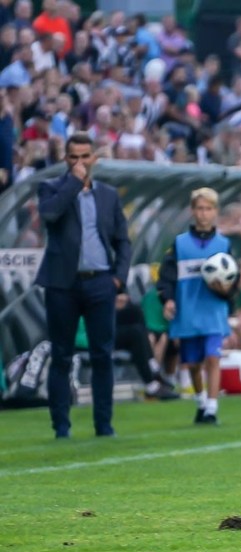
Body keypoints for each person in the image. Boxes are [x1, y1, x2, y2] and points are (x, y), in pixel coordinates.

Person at [35, 132, 131, 438]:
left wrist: (118, 277)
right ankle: (61, 427)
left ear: (94, 158)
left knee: (102, 354)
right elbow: (50, 214)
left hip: (100, 281)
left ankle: (104, 424)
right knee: (61, 355)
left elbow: (122, 241)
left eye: (84, 157)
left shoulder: (108, 195)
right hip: (62, 284)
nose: (79, 162)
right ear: (65, 159)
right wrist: (74, 183)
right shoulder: (51, 188)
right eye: (73, 157)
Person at [158, 187, 239, 425]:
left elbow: (235, 278)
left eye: (208, 209)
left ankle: (212, 409)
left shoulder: (224, 244)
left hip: (213, 311)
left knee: (212, 358)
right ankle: (201, 401)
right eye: (200, 208)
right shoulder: (179, 244)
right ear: (193, 211)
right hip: (188, 312)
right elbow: (166, 276)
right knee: (192, 363)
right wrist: (168, 299)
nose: (204, 213)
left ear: (215, 212)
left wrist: (227, 291)